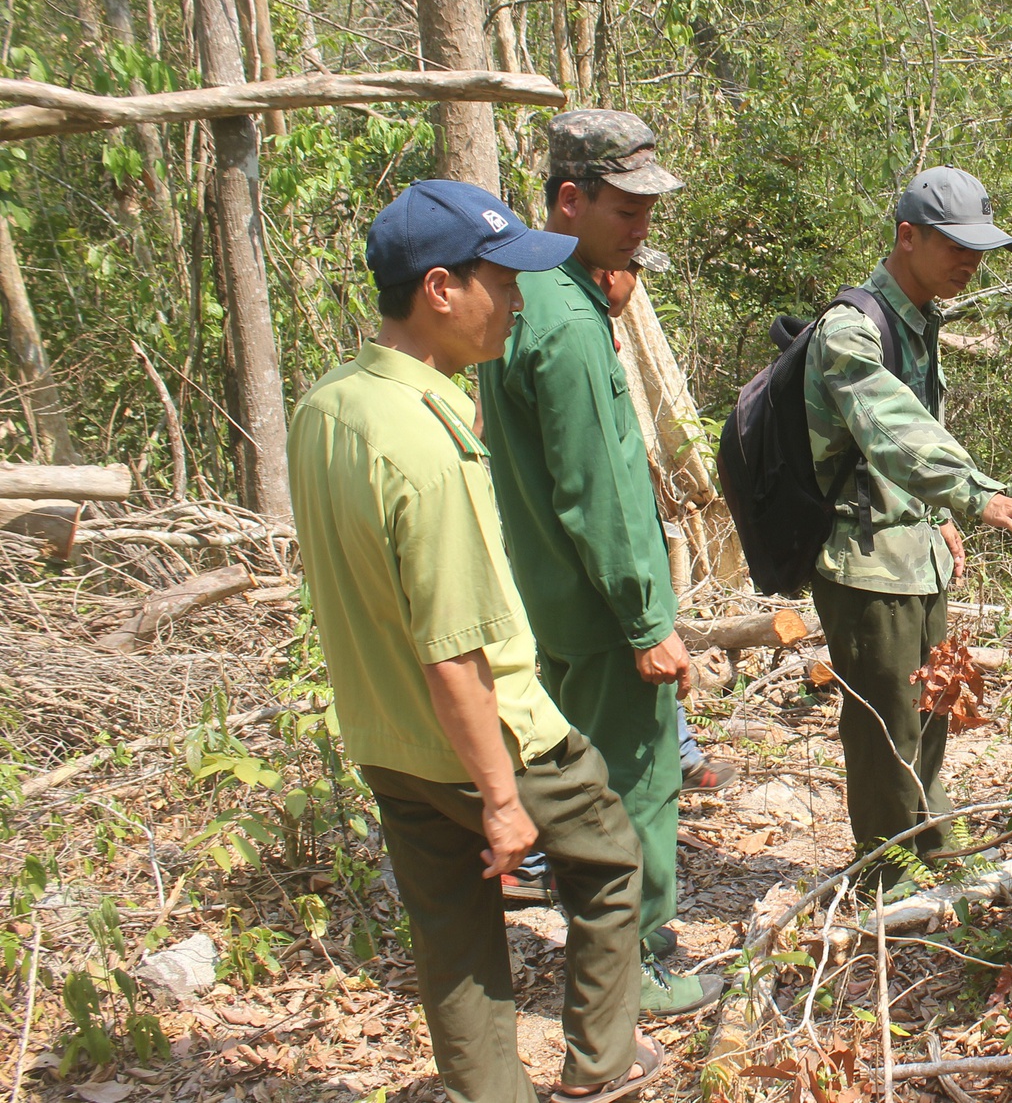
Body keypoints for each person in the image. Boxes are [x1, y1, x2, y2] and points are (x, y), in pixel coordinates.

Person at [288, 179, 664, 1103]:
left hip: (386, 737)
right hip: (492, 734)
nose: (519, 302)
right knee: (613, 863)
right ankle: (601, 1066)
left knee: (452, 928)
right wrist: (501, 796)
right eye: (502, 281)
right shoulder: (425, 444)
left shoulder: (328, 408)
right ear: (441, 290)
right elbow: (452, 649)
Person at [477, 111, 723, 1015]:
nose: (643, 224)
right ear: (569, 200)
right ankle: (636, 968)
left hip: (553, 601)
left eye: (650, 205)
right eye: (627, 207)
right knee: (636, 783)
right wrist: (647, 621)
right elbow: (601, 493)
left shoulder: (526, 297)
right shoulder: (567, 323)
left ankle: (607, 954)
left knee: (587, 785)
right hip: (600, 612)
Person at [806, 166, 1012, 880]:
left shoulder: (920, 320)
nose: (970, 262)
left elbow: (910, 433)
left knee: (930, 708)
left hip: (913, 549)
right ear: (907, 236)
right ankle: (886, 880)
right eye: (954, 244)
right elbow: (892, 430)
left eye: (979, 247)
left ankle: (933, 852)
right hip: (864, 559)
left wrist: (937, 517)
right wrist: (978, 496)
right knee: (888, 726)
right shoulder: (849, 330)